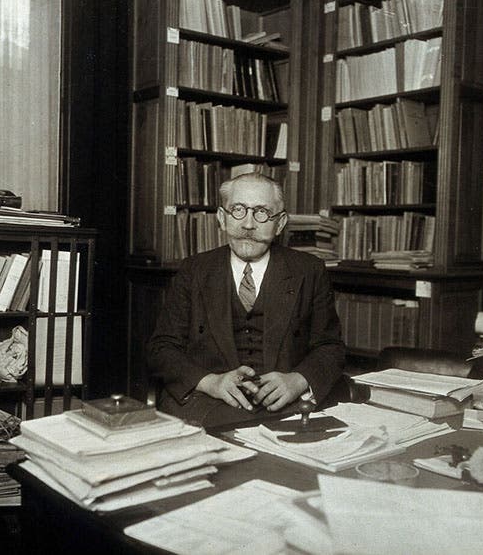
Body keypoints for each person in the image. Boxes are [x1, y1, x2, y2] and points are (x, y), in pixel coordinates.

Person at [148, 172, 346, 428]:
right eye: (238, 210)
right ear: (222, 218)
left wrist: (297, 380)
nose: (248, 224)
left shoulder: (309, 270)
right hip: (208, 402)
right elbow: (161, 348)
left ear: (280, 222)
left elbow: (331, 347)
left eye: (262, 212)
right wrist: (212, 382)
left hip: (286, 406)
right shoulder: (194, 270)